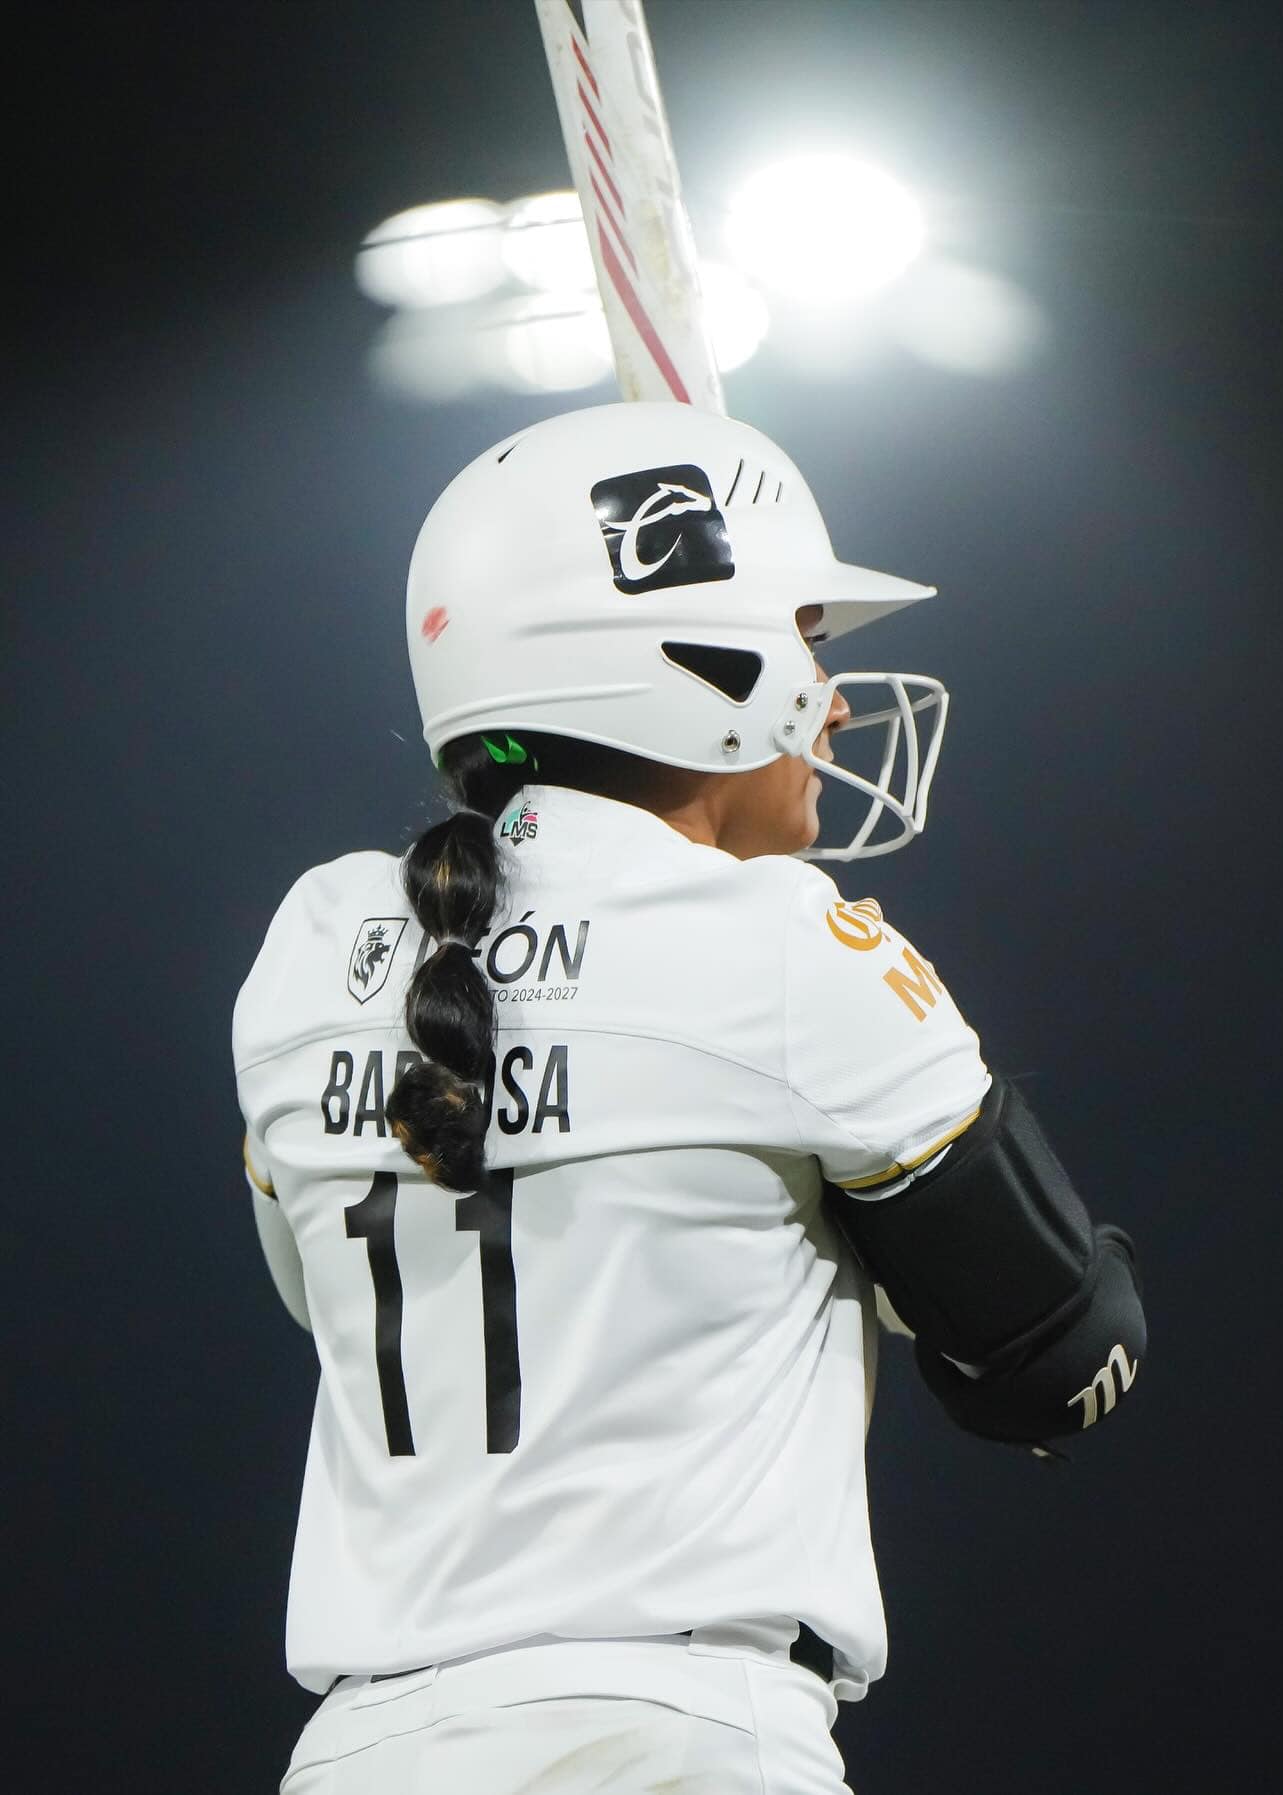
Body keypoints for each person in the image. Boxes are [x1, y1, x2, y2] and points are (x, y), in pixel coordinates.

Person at [233, 401, 1146, 1795]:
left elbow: (321, 1299)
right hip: (680, 1741)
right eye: (809, 641)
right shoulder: (786, 944)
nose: (834, 698)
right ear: (693, 668)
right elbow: (1064, 1368)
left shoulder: (310, 947)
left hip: (362, 1751)